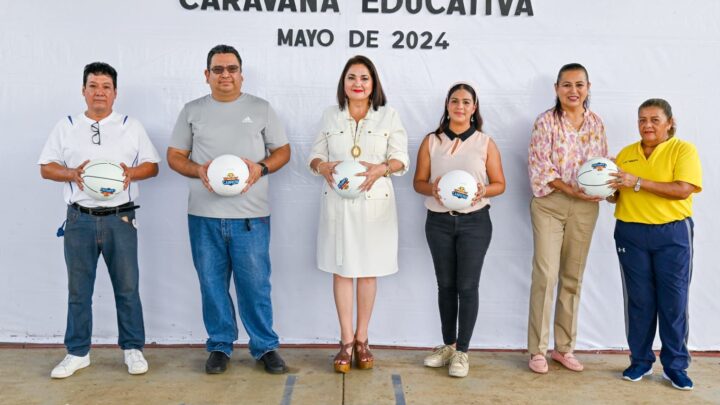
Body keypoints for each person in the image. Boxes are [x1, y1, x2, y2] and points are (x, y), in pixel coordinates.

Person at [167, 44, 291, 375]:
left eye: (231, 68)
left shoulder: (261, 108)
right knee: (211, 283)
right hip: (204, 215)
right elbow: (175, 155)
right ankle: (220, 345)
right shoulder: (192, 110)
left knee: (255, 285)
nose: (225, 75)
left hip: (251, 215)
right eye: (218, 69)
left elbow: (283, 151)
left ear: (241, 73)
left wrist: (260, 169)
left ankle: (265, 346)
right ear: (206, 75)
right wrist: (198, 171)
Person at [38, 62, 160, 378]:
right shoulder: (66, 126)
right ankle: (77, 353)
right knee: (79, 291)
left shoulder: (131, 126)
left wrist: (130, 173)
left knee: (127, 287)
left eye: (106, 86)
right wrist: (71, 173)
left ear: (115, 93)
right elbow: (46, 167)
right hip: (79, 220)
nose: (99, 92)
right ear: (83, 91)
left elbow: (152, 166)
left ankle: (133, 349)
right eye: (93, 86)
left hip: (120, 219)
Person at [307, 55, 409, 373]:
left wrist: (382, 168)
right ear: (344, 83)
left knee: (367, 271)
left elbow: (401, 159)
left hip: (374, 205)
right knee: (341, 270)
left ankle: (363, 339)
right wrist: (321, 165)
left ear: (373, 83)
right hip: (338, 205)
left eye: (364, 78)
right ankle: (345, 340)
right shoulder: (330, 115)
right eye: (352, 77)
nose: (358, 83)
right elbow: (314, 155)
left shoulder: (388, 115)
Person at [413, 82, 506, 377]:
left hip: (474, 222)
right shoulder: (431, 141)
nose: (460, 106)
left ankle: (463, 352)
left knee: (467, 287)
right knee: (446, 286)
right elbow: (419, 182)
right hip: (438, 221)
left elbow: (500, 184)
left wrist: (483, 191)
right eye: (455, 101)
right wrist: (434, 189)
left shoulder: (485, 142)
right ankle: (448, 346)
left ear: (474, 108)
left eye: (466, 102)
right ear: (447, 105)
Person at [609, 98, 702, 390]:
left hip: (672, 234)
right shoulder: (625, 154)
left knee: (673, 302)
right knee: (639, 301)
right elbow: (615, 196)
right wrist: (605, 183)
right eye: (641, 120)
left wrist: (636, 181)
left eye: (654, 120)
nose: (647, 125)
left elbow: (682, 189)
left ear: (669, 122)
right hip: (631, 233)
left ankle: (675, 366)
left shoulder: (682, 150)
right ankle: (640, 361)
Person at [526, 63, 608, 374]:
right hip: (550, 202)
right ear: (556, 88)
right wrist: (570, 190)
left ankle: (564, 348)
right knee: (546, 276)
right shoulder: (546, 122)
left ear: (588, 88)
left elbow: (600, 164)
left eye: (579, 85)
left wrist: (600, 189)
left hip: (586, 206)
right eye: (566, 85)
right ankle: (537, 350)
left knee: (573, 278)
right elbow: (539, 166)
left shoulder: (596, 123)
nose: (573, 91)